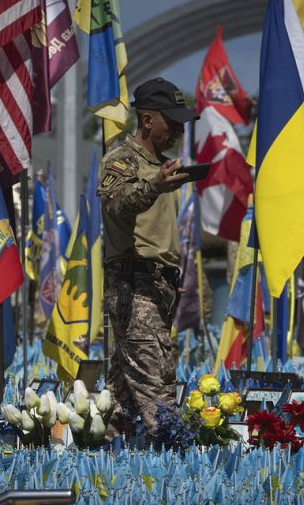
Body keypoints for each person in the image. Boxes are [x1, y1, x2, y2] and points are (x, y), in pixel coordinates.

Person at [97, 77, 197, 439]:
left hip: (157, 286)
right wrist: (153, 185)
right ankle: (179, 460)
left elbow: (157, 235)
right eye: (172, 121)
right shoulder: (121, 160)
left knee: (121, 396)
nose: (179, 131)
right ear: (148, 119)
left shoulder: (165, 167)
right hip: (132, 284)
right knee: (157, 386)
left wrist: (169, 278)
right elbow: (115, 204)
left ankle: (99, 453)